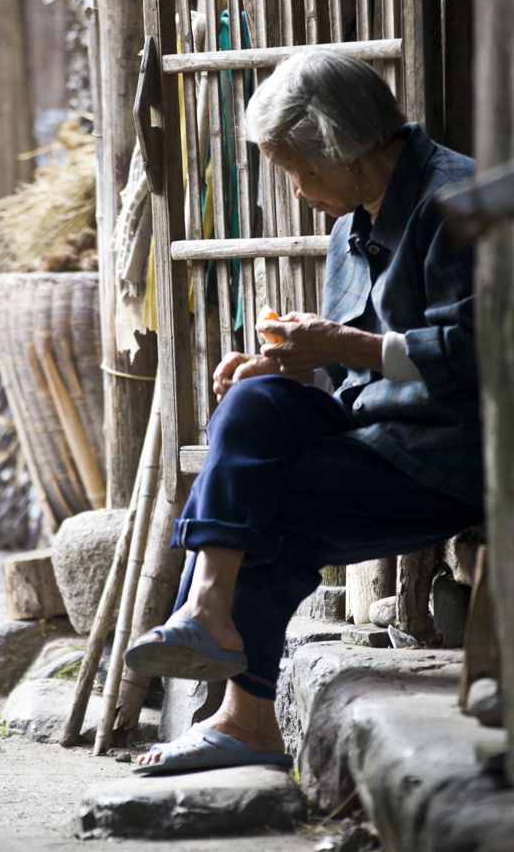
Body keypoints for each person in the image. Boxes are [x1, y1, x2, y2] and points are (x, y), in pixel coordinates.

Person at [124, 49, 482, 774]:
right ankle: (208, 615)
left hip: (448, 450)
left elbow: (483, 351)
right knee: (257, 396)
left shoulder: (457, 201)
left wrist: (346, 344)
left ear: (346, 149)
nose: (294, 188)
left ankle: (241, 710)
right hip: (375, 429)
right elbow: (358, 364)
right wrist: (294, 360)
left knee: (267, 508)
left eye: (299, 167)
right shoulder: (354, 217)